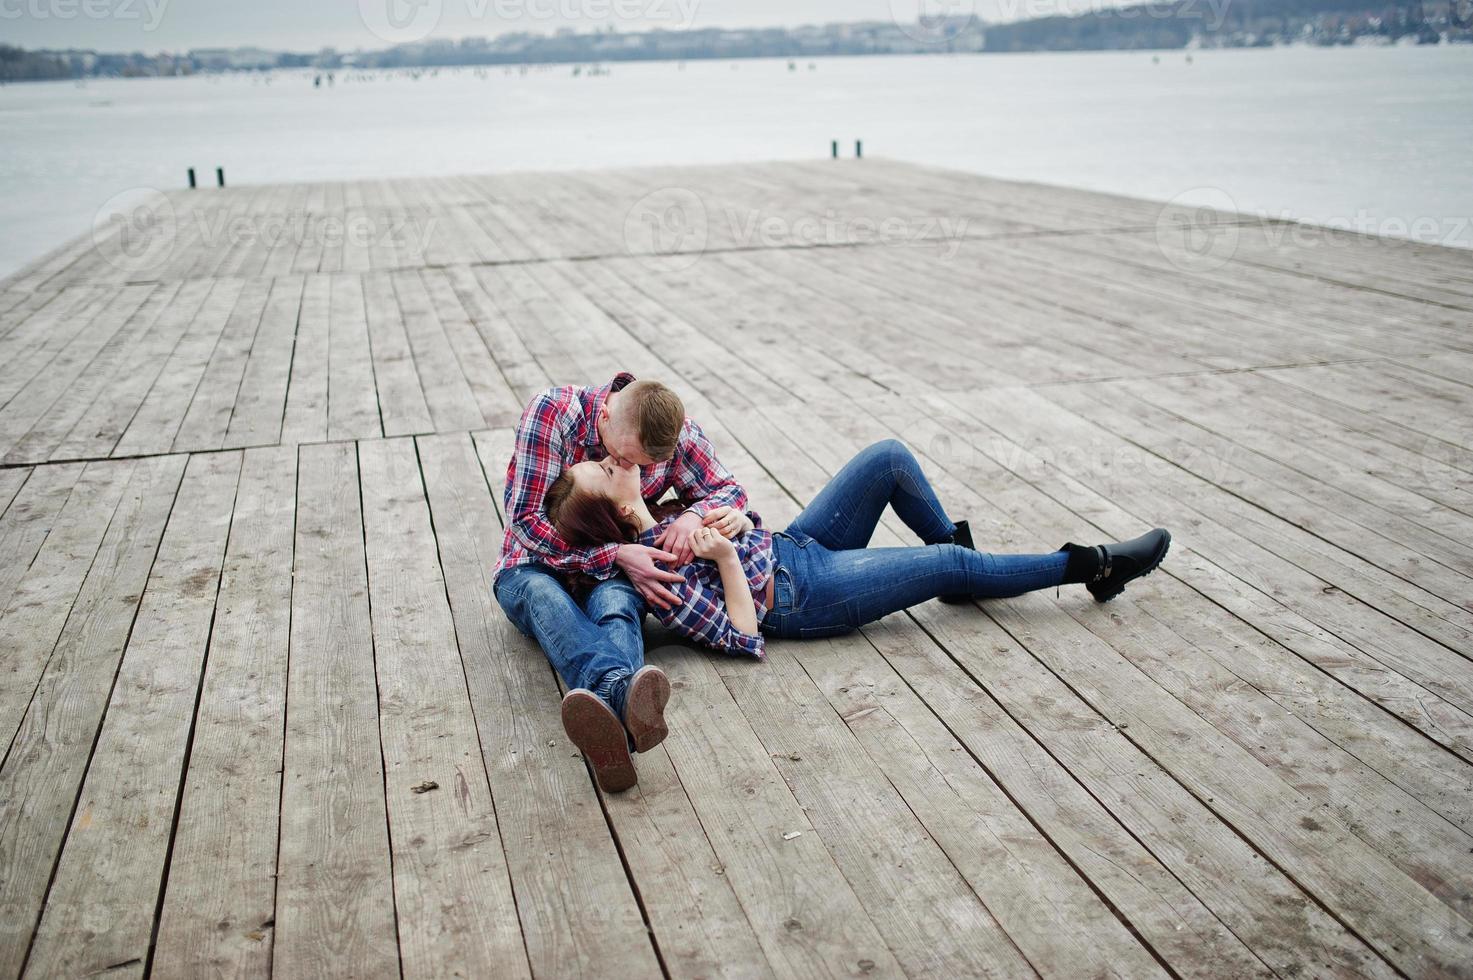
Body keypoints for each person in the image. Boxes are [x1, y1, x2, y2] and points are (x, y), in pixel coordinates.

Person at [547, 438, 1171, 665]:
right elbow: (744, 636)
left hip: (797, 546)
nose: (612, 460)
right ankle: (1096, 566)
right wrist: (728, 561)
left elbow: (748, 525)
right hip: (802, 597)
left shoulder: (661, 516)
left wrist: (736, 521)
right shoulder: (657, 574)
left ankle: (963, 574)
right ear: (615, 510)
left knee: (888, 458)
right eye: (605, 470)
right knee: (950, 563)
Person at [494, 372, 747, 793]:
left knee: (617, 602)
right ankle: (619, 690)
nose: (631, 470)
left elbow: (729, 490)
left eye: (644, 466)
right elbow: (526, 522)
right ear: (605, 414)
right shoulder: (553, 413)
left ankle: (613, 740)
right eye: (623, 457)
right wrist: (614, 552)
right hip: (535, 565)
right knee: (544, 595)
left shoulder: (672, 430)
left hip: (618, 574)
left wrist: (691, 516)